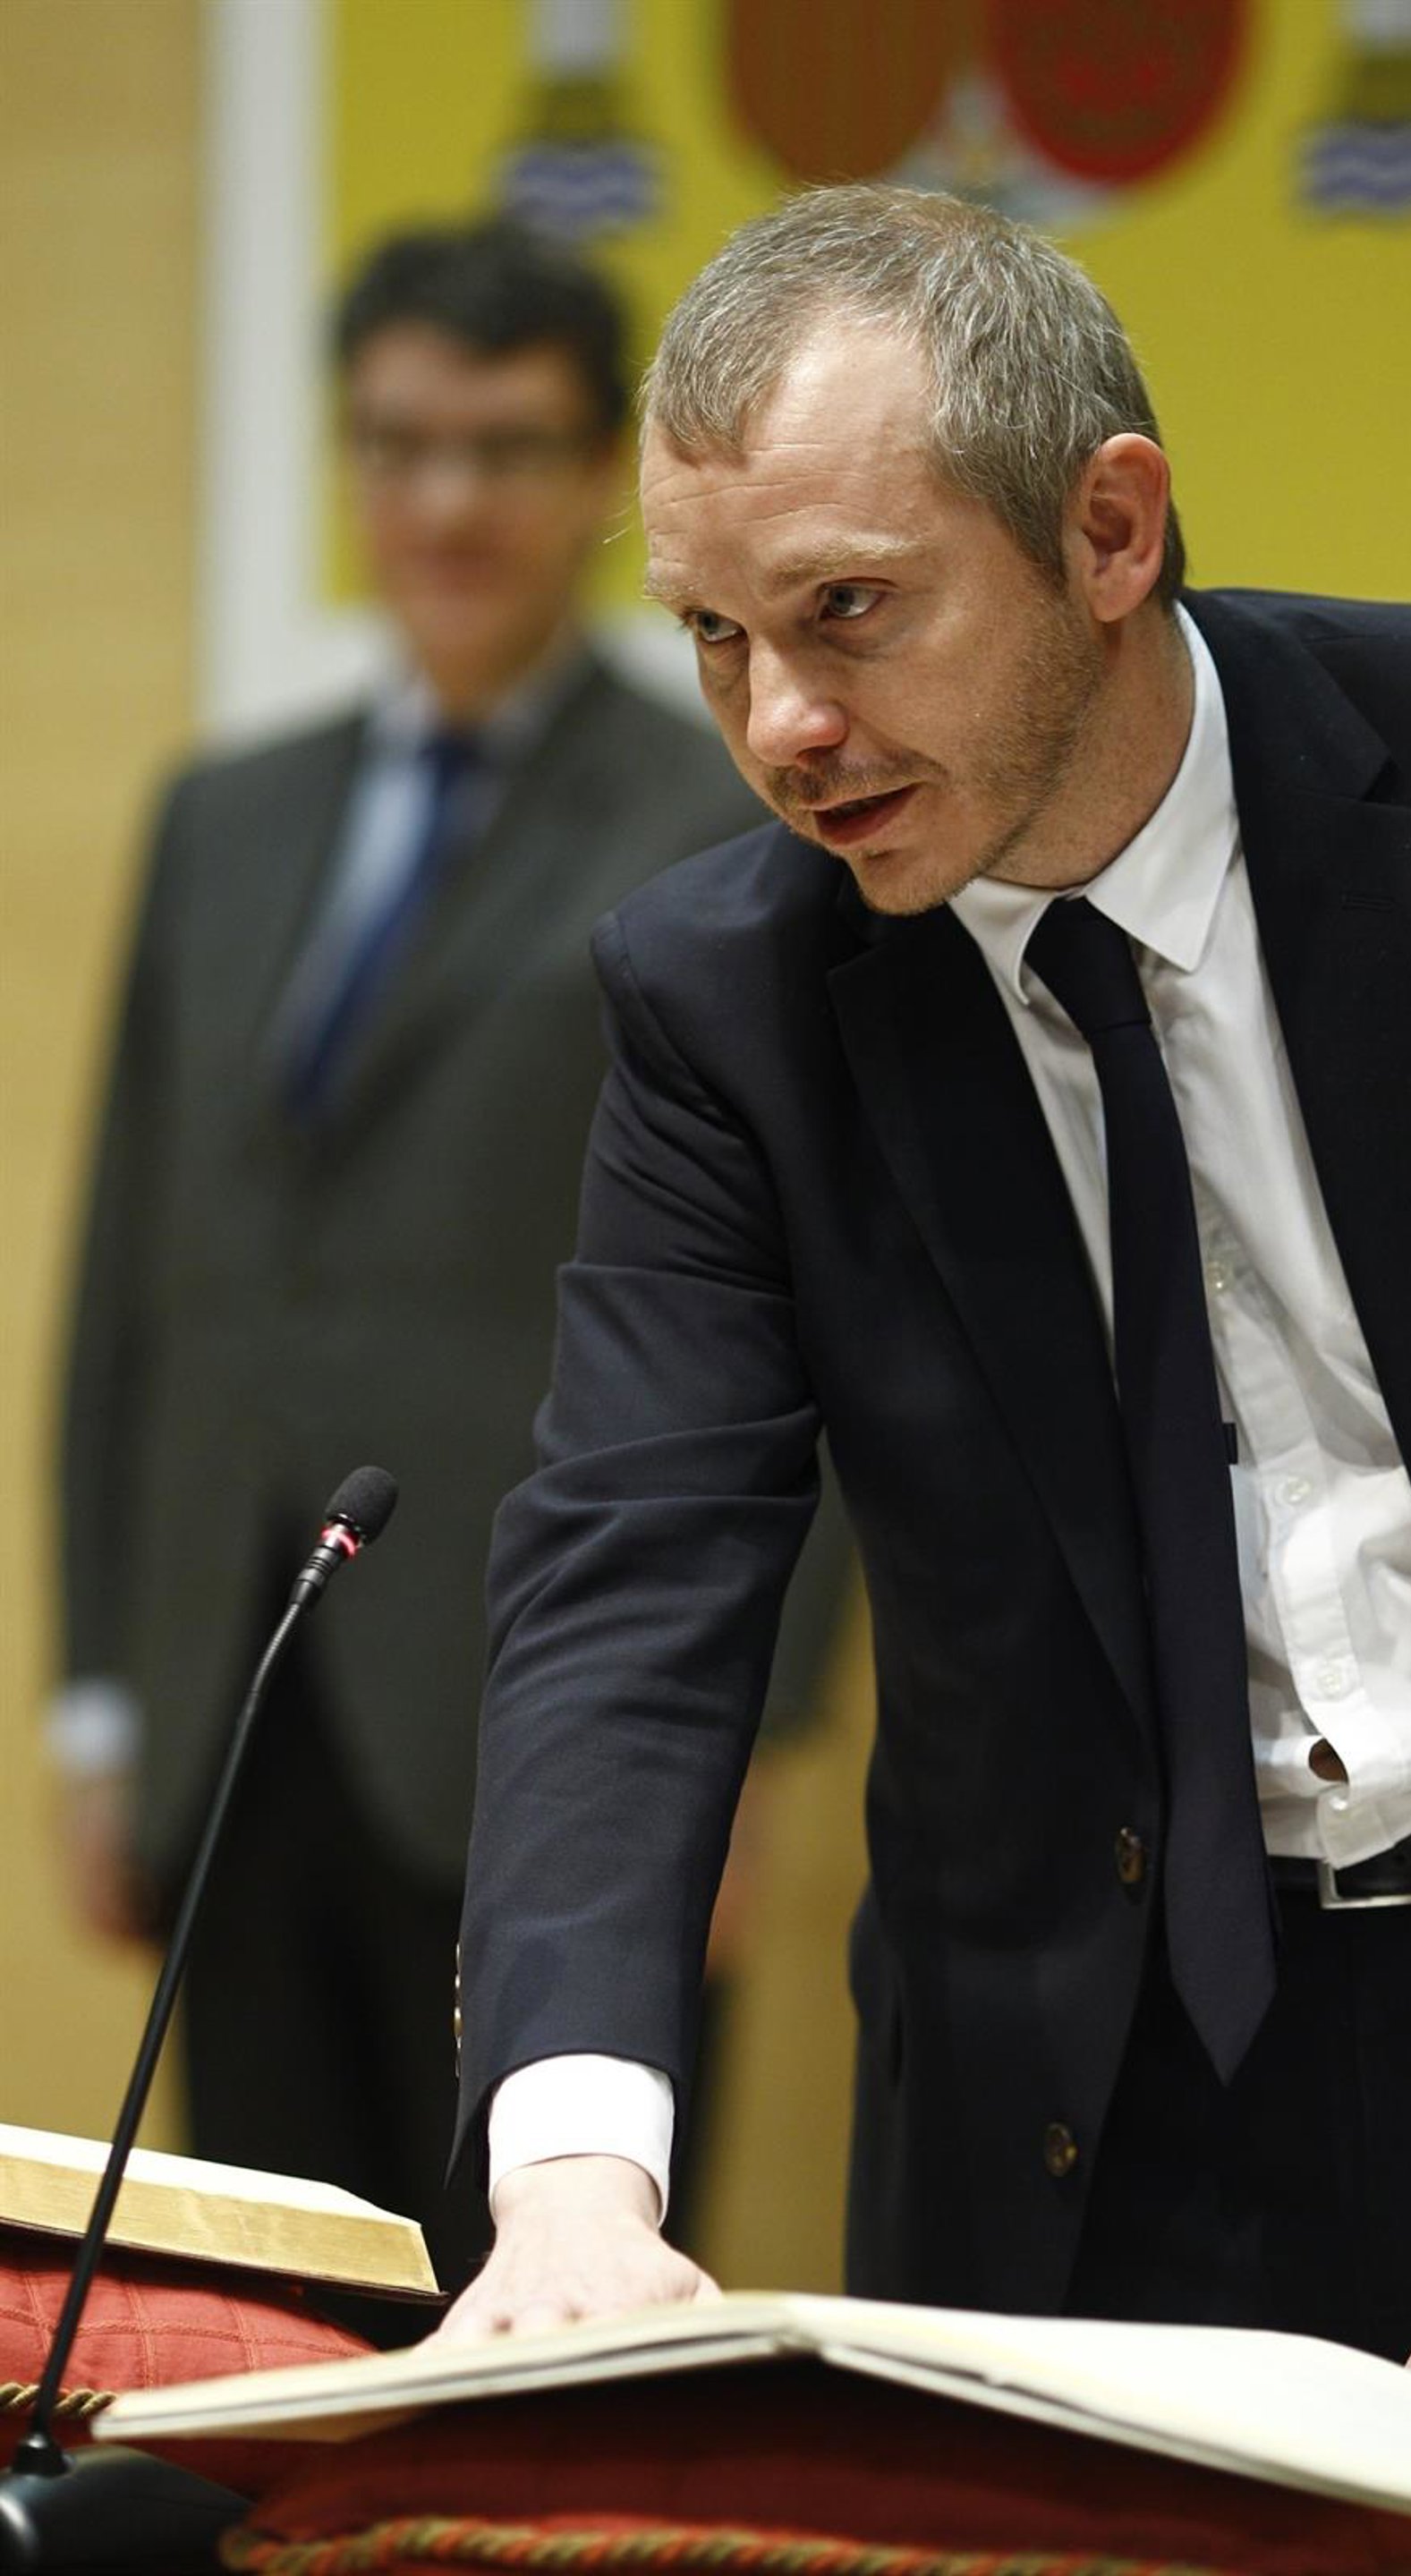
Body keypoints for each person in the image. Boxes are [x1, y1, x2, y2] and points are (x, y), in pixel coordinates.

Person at [441, 185, 1411, 2467]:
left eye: (847, 609)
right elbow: (630, 1580)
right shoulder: (727, 999)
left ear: (1108, 530)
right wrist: (571, 2176)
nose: (782, 725)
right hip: (1081, 2113)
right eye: (715, 637)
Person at [50, 217, 829, 2308]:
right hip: (242, 1681)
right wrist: (101, 1698)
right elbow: (132, 1271)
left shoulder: (721, 822)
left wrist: (744, 1743)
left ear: (598, 480)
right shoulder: (226, 814)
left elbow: (806, 1304)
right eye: (398, 445)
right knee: (258, 2320)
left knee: (543, 2313)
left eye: (505, 448)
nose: (447, 501)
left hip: (550, 1706)